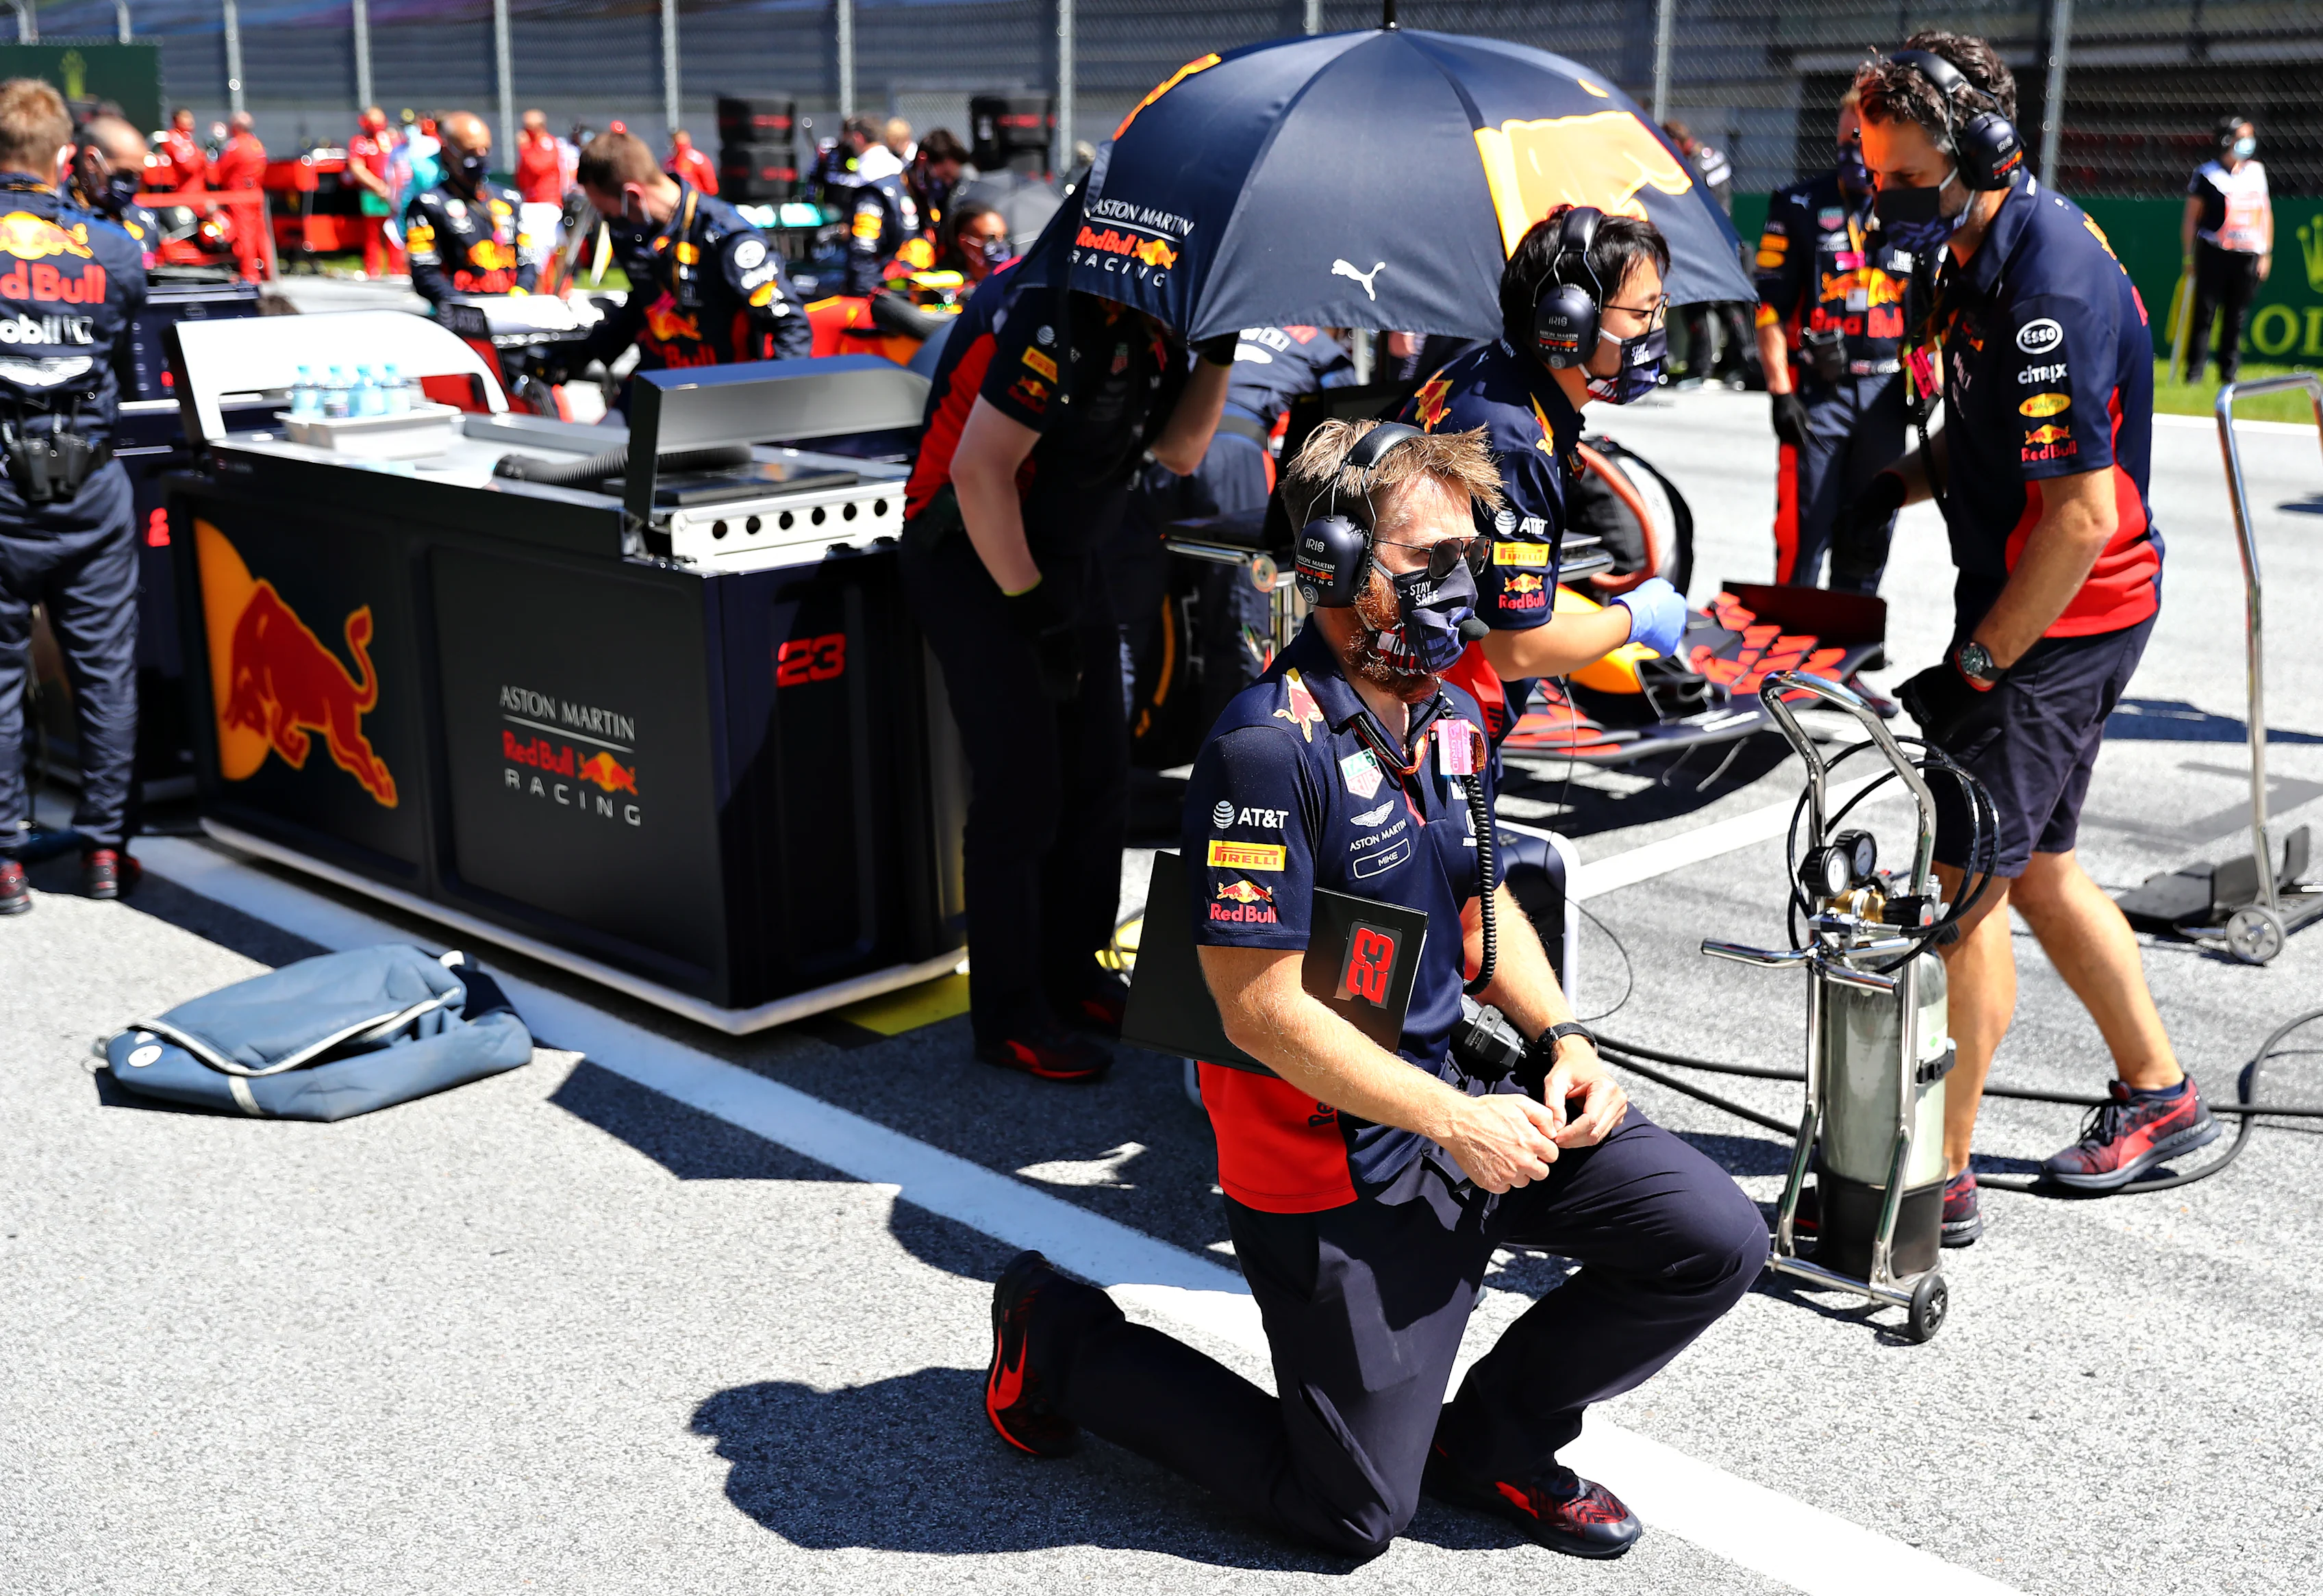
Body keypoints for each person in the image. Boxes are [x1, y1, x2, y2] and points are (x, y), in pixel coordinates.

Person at [982, 419, 1764, 1559]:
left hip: (1462, 1110)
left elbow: (1476, 913)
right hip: (1334, 1169)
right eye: (1433, 558)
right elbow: (1257, 1009)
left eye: (1470, 552)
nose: (1468, 582)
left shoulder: (1448, 717)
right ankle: (1058, 1335)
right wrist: (1452, 1120)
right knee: (1346, 1516)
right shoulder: (1264, 748)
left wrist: (1562, 1035)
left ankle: (1492, 1445)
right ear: (1337, 564)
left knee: (1712, 1235)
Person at [1846, 33, 2213, 1237]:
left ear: (1981, 150)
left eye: (1901, 175)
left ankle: (1936, 1181)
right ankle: (2161, 1096)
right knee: (2041, 869)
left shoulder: (2045, 279)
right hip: (2038, 603)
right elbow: (1988, 431)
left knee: (1962, 893)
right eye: (1871, 170)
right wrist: (1899, 483)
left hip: (2061, 616)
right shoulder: (1970, 249)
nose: (1880, 194)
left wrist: (1981, 666)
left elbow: (2080, 517)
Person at [899, 257, 1231, 1080]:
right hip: (968, 551)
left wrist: (1219, 352)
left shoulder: (1151, 314)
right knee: (1022, 792)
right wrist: (1029, 607)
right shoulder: (1046, 307)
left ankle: (1073, 971)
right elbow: (978, 474)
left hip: (1067, 553)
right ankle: (1008, 1015)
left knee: (1099, 779)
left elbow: (1179, 452)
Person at [1398, 206, 1689, 748]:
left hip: (1407, 693)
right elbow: (1518, 651)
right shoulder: (1516, 438)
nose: (1656, 331)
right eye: (1644, 312)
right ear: (1569, 323)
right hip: (1427, 721)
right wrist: (1635, 619)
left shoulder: (1487, 373)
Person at [0, 79, 149, 915]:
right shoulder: (114, 247)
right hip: (89, 488)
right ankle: (103, 853)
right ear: (64, 157)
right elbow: (130, 327)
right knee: (106, 676)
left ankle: (6, 866)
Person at [1754, 86, 1912, 605]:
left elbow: (1937, 305)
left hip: (1889, 393)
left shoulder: (1917, 206)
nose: (1854, 151)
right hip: (1820, 393)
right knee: (1805, 529)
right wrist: (1781, 392)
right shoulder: (1798, 204)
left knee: (1868, 530)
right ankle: (1786, 656)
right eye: (1846, 139)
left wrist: (1929, 381)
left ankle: (1851, 662)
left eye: (1865, 141)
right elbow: (1769, 306)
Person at [555, 127, 809, 382]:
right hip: (656, 385)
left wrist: (766, 402)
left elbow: (793, 329)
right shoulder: (636, 237)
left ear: (633, 196)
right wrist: (573, 358)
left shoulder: (726, 237)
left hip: (718, 393)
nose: (608, 222)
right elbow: (642, 305)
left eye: (608, 213)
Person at [402, 111, 534, 307]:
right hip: (459, 313)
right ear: (448, 152)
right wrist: (465, 307)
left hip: (509, 309)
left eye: (485, 150)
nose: (479, 158)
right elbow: (425, 273)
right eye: (471, 152)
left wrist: (521, 292)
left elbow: (527, 259)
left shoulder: (509, 199)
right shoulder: (428, 205)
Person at [2179, 115, 2271, 384]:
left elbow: (2264, 213)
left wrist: (2265, 252)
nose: (2248, 143)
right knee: (2204, 314)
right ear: (2227, 140)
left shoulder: (2256, 172)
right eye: (2243, 137)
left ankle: (2229, 375)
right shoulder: (2208, 175)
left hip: (2247, 255)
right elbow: (2191, 218)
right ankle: (2194, 374)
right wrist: (2188, 255)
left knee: (2236, 317)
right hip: (2213, 252)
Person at [833, 114, 921, 294]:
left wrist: (862, 290)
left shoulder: (866, 172)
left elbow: (864, 245)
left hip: (879, 269)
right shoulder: (897, 166)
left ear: (857, 138)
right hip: (906, 264)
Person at [71, 114, 160, 271]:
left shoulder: (145, 222)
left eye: (138, 175)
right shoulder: (57, 217)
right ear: (92, 161)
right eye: (124, 173)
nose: (132, 184)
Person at [207, 111, 267, 282]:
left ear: (236, 127)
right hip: (256, 193)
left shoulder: (236, 146)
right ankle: (269, 271)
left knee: (245, 235)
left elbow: (219, 172)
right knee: (261, 234)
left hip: (240, 195)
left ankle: (250, 274)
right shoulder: (257, 145)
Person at [344, 105, 401, 279]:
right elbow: (357, 168)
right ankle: (373, 268)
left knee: (395, 231)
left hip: (393, 193)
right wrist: (378, 186)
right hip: (371, 193)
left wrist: (393, 188)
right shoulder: (359, 141)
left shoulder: (391, 139)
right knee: (373, 233)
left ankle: (398, 269)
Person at [930, 195, 1007, 285]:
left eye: (1004, 236)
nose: (1000, 243)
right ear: (964, 243)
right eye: (990, 237)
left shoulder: (1013, 286)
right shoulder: (946, 286)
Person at [910, 127, 969, 235]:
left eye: (953, 179)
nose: (948, 182)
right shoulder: (890, 195)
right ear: (922, 161)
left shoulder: (946, 198)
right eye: (945, 174)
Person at [514, 108, 564, 206]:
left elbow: (538, 168)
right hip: (529, 199)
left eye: (529, 128)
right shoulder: (530, 145)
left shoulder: (547, 144)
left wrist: (525, 148)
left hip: (545, 202)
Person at [155, 106, 201, 190]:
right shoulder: (174, 137)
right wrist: (201, 158)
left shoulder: (188, 138)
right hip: (183, 190)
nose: (191, 120)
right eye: (186, 117)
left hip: (197, 189)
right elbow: (188, 167)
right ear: (176, 120)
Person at [664, 128, 716, 197]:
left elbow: (710, 185)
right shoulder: (670, 161)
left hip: (696, 199)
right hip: (676, 199)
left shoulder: (696, 158)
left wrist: (703, 197)